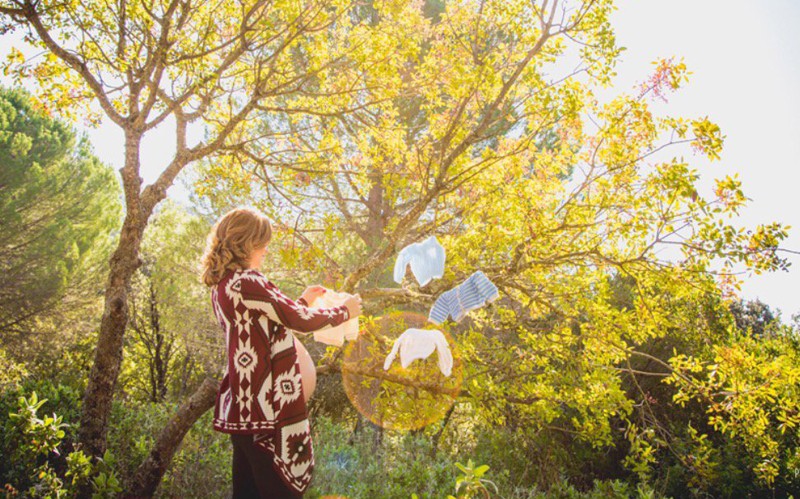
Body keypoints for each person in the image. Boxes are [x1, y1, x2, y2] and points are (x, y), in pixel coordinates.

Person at [201, 207, 362, 498]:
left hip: (242, 408)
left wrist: (303, 299)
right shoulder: (247, 281)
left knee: (248, 492)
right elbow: (296, 319)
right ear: (246, 243)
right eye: (262, 242)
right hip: (265, 410)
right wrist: (343, 312)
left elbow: (265, 322)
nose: (265, 249)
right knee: (279, 492)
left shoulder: (224, 286)